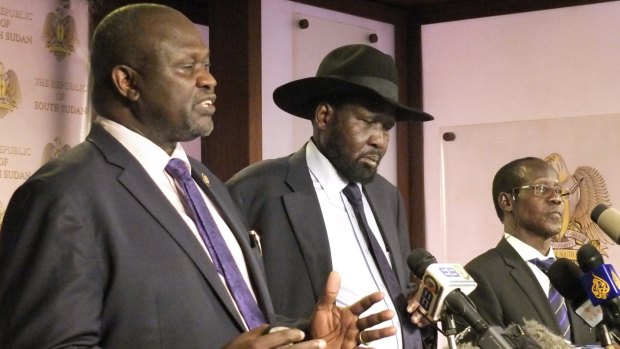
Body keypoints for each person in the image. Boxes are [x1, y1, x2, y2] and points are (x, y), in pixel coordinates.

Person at [0, 4, 397, 348]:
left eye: (206, 65)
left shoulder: (206, 183)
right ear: (127, 82)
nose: (209, 80)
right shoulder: (61, 195)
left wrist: (303, 335)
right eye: (187, 67)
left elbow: (231, 321)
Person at [226, 44, 435, 349]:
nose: (379, 140)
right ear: (324, 116)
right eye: (367, 122)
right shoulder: (256, 190)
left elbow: (397, 286)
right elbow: (231, 303)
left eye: (387, 127)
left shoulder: (387, 196)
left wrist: (417, 306)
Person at [463, 157, 598, 346]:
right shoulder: (480, 275)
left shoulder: (574, 276)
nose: (556, 199)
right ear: (507, 201)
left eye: (559, 191)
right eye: (541, 189)